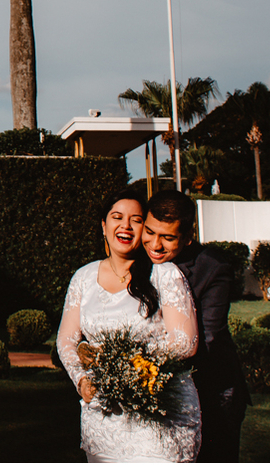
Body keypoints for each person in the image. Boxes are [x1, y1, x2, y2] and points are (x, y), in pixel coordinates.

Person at [57, 188, 201, 462]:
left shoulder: (164, 273)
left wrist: (125, 365)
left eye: (135, 219)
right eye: (116, 217)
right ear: (104, 225)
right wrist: (81, 379)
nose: (125, 225)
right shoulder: (83, 277)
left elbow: (186, 342)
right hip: (103, 419)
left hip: (161, 417)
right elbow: (66, 340)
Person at [144, 189, 251, 463]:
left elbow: (210, 336)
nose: (155, 245)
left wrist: (150, 369)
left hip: (213, 389)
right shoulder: (137, 261)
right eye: (150, 232)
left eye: (168, 238)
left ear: (188, 236)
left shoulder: (213, 267)